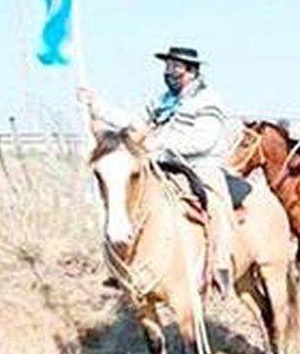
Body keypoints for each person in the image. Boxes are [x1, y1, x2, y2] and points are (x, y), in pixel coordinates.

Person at [78, 46, 238, 291]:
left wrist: (159, 144)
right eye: (167, 67)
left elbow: (204, 140)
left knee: (216, 205)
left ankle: (220, 266)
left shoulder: (207, 100)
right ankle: (125, 265)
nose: (169, 72)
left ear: (192, 71)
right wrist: (96, 104)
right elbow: (134, 122)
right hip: (160, 162)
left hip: (199, 165)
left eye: (175, 67)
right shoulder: (162, 100)